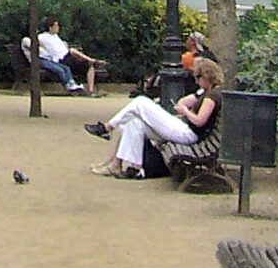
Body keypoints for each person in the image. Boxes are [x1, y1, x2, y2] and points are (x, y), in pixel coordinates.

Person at [88, 56, 222, 178]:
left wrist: (186, 111)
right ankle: (132, 168)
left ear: (206, 76)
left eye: (198, 77)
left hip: (188, 133)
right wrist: (187, 104)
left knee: (141, 102)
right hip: (184, 127)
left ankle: (107, 128)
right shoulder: (206, 92)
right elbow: (183, 101)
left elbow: (199, 121)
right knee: (134, 122)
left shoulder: (212, 97)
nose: (196, 81)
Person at [22, 16, 99, 94]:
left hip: (55, 58)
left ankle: (75, 85)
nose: (58, 27)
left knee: (69, 67)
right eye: (56, 26)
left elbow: (59, 46)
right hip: (52, 60)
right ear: (50, 28)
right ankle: (68, 86)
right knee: (61, 68)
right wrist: (38, 42)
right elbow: (32, 44)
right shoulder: (39, 37)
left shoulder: (55, 36)